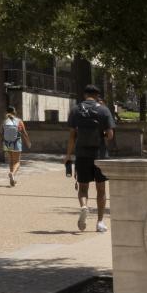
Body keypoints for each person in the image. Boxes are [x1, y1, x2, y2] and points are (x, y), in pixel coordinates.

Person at [64, 84, 115, 233]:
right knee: (101, 189)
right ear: (98, 95)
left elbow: (72, 135)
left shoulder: (76, 110)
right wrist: (102, 136)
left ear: (85, 95)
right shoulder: (104, 110)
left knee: (83, 187)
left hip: (82, 154)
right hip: (100, 155)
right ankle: (100, 222)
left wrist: (68, 155)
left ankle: (84, 207)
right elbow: (110, 135)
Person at [0, 107, 29, 186]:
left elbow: (0, 134)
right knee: (17, 162)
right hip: (16, 143)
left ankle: (12, 180)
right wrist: (28, 142)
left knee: (11, 161)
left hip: (7, 143)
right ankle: (12, 174)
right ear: (14, 112)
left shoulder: (4, 121)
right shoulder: (19, 121)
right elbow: (24, 132)